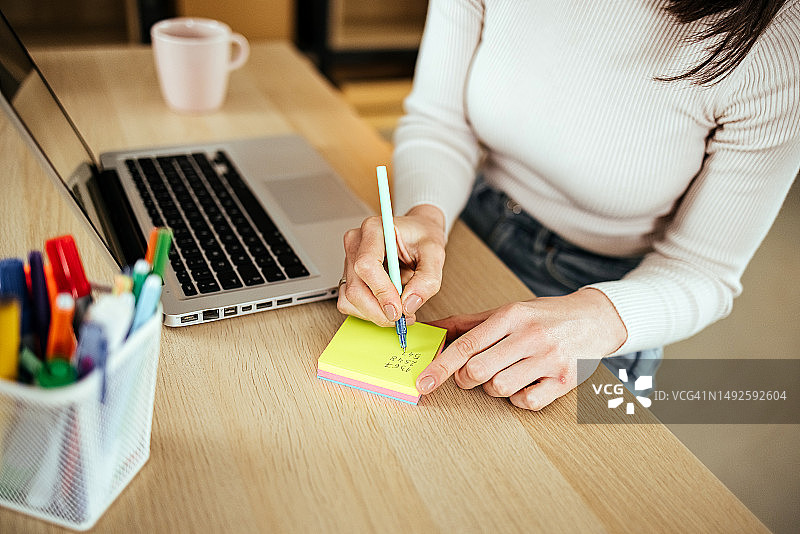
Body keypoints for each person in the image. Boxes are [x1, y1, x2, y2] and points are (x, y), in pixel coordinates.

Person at [337, 0, 800, 410]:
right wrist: (425, 213)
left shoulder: (781, 46)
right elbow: (440, 122)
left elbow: (703, 270)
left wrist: (600, 318)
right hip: (466, 222)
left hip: (608, 294)